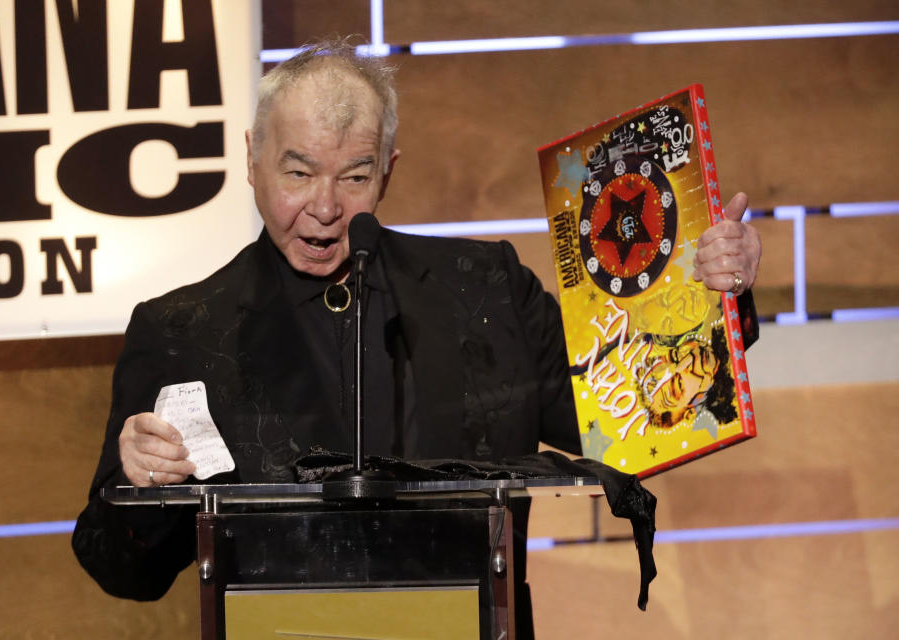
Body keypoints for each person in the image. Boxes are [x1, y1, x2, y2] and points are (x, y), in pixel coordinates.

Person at [73, 40, 761, 636]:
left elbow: (622, 420)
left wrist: (703, 296)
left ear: (389, 170)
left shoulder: (485, 288)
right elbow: (119, 569)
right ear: (251, 159)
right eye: (298, 172)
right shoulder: (182, 330)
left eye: (354, 177)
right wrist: (137, 486)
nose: (324, 206)